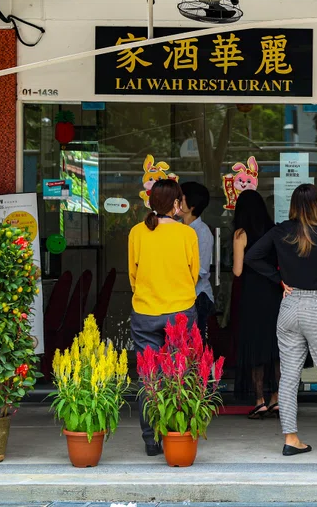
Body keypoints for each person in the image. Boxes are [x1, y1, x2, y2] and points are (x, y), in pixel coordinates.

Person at [246, 184, 317, 459]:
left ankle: (291, 439)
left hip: (290, 305)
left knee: (289, 376)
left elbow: (251, 257)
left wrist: (278, 279)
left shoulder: (280, 231)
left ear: (293, 205)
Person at [127, 179, 199, 457]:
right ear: (176, 204)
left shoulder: (136, 232)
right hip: (180, 310)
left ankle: (150, 439)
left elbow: (133, 274)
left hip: (145, 311)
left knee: (150, 376)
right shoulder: (186, 234)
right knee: (179, 372)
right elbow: (194, 274)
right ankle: (175, 432)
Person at [231, 189, 283, 420]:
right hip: (273, 292)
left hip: (252, 295)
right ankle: (277, 399)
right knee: (275, 347)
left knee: (255, 347)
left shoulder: (241, 233)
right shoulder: (275, 231)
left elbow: (238, 270)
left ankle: (259, 401)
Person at [180, 181, 215, 343]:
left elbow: (200, 271)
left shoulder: (202, 232)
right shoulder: (178, 229)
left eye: (181, 198)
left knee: (195, 348)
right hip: (181, 298)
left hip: (198, 297)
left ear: (192, 205)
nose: (176, 202)